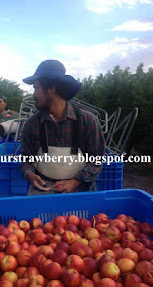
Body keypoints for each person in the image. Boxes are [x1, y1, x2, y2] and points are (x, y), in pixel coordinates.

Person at [20, 59, 105, 195]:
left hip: (79, 194)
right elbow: (26, 159)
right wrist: (29, 174)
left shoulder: (87, 121)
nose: (34, 94)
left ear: (51, 88)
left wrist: (75, 181)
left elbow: (97, 160)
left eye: (36, 87)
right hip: (42, 194)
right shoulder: (32, 124)